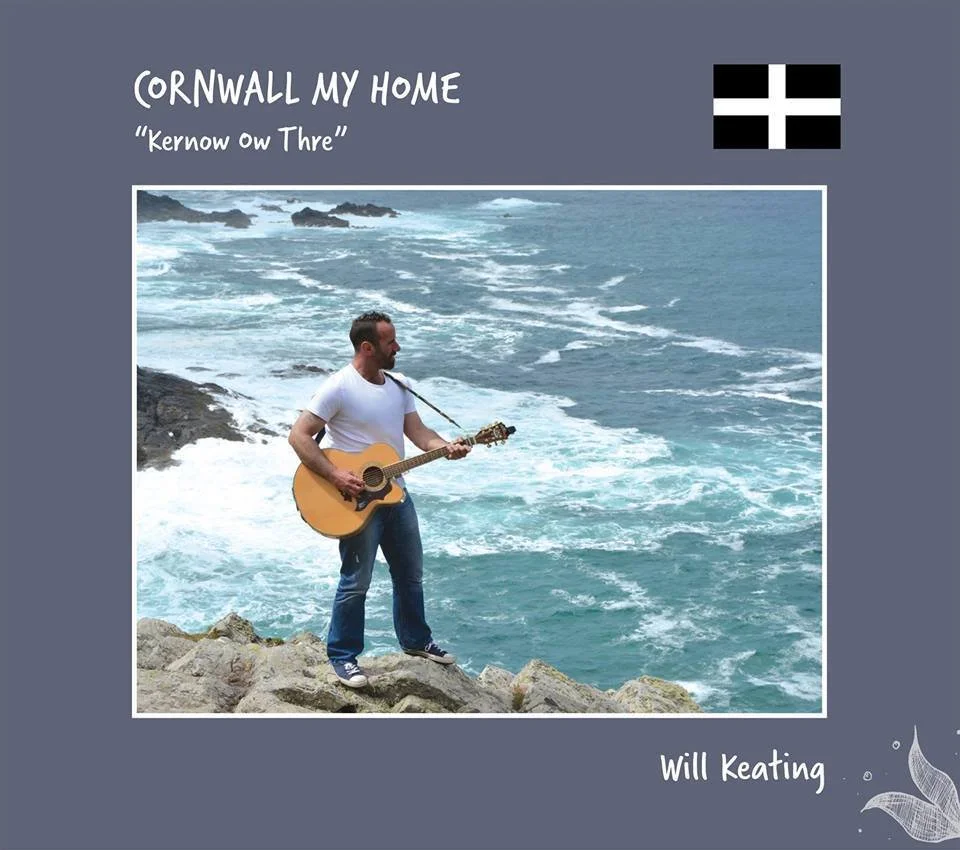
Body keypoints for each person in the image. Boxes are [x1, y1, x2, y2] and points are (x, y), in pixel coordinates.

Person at [288, 311, 471, 688]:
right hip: (357, 501)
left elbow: (418, 433)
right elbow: (299, 436)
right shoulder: (338, 387)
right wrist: (336, 474)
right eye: (391, 342)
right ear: (367, 347)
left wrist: (444, 447)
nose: (398, 347)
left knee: (410, 575)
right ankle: (343, 657)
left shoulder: (399, 385)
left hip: (396, 493)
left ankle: (417, 641)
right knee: (356, 581)